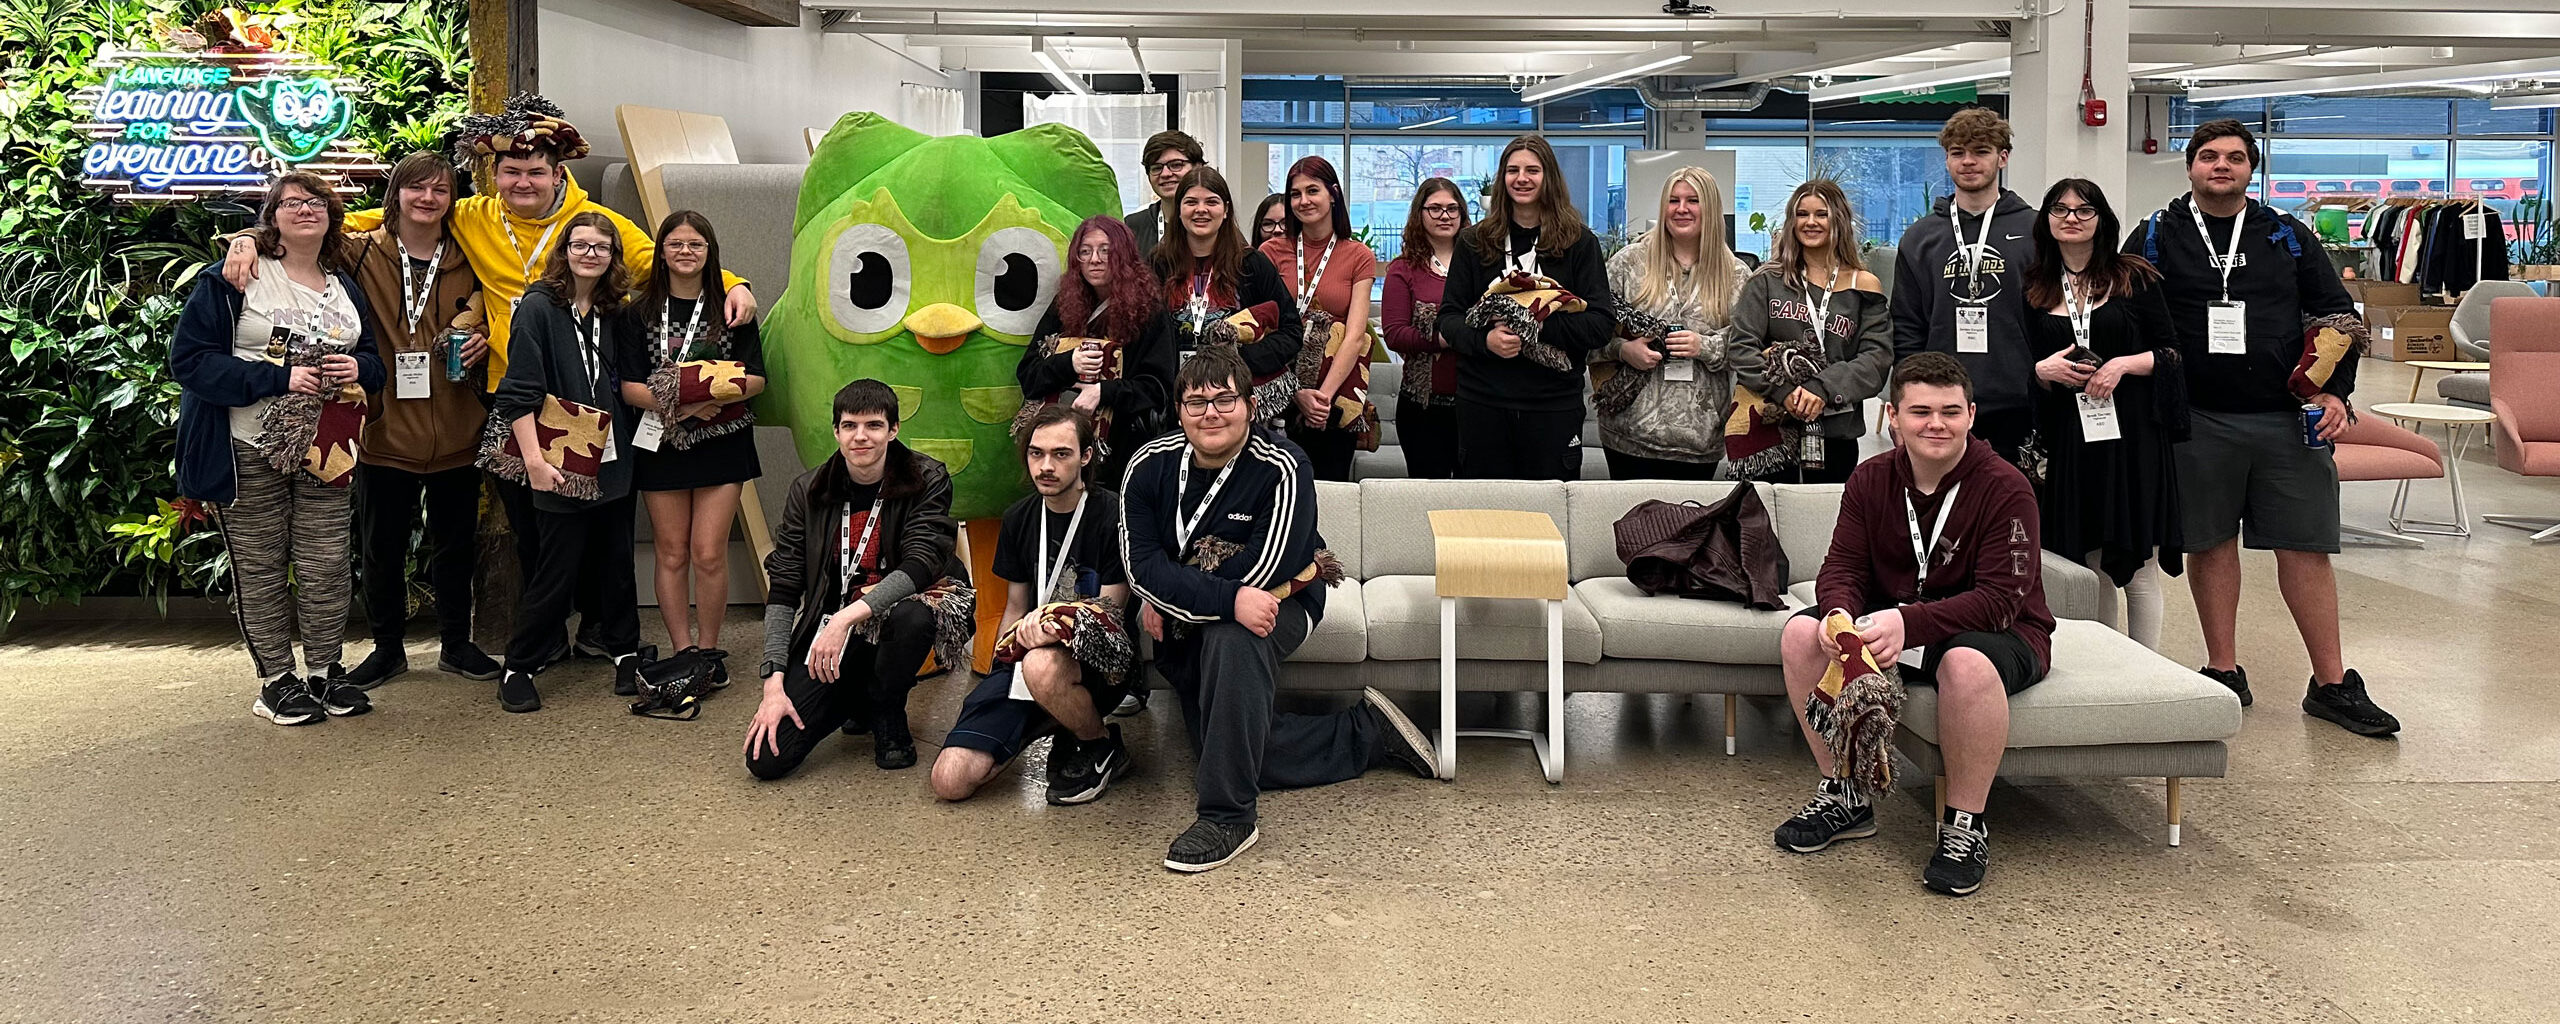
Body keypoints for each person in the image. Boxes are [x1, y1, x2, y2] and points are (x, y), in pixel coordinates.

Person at [220, 94, 754, 664]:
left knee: (605, 527)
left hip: (590, 398)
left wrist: (736, 281)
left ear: (558, 173)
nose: (523, 181)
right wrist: (253, 237)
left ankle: (605, 631)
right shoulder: (472, 216)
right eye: (511, 171)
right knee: (532, 531)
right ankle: (542, 640)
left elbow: (669, 259)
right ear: (493, 175)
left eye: (535, 171)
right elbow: (370, 217)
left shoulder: (596, 226)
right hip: (514, 394)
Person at [1121, 349, 1440, 872]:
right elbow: (1141, 566)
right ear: (1178, 409)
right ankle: (1365, 733)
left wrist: (1176, 597)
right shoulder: (1148, 464)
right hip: (1204, 609)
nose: (1211, 413)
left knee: (1234, 639)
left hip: (1285, 598)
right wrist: (1181, 599)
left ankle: (1229, 816)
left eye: (1226, 399)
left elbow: (1265, 568)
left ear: (1249, 405)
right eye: (1197, 401)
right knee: (1224, 746)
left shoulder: (1284, 464)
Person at [2125, 119, 2395, 737]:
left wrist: (2336, 391)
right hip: (2197, 418)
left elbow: (2338, 316)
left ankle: (2331, 683)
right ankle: (2223, 670)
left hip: (2285, 419)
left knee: (2306, 547)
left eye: (2237, 158)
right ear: (2190, 166)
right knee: (2210, 543)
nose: (2223, 166)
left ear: (2252, 169)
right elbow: (2131, 318)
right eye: (2211, 157)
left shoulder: (2284, 234)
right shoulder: (2157, 236)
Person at [1772, 352, 2054, 898]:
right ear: (1892, 418)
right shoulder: (1871, 478)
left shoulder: (2007, 487)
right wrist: (1836, 613)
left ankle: (1965, 826)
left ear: (1972, 415)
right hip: (1900, 627)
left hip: (1997, 632)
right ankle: (1846, 795)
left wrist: (1909, 622)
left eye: (1950, 411)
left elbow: (2000, 600)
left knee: (1965, 663)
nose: (1936, 424)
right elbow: (1843, 567)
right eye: (1920, 411)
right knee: (1801, 634)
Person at [173, 172, 385, 725]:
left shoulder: (344, 285)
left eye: (316, 202)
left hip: (328, 447)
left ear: (332, 215)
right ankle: (275, 681)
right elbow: (190, 362)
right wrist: (277, 379)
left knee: (326, 564)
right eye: (292, 202)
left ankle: (324, 671)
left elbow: (375, 362)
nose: (305, 210)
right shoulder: (235, 277)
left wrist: (357, 367)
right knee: (262, 566)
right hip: (247, 445)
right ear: (272, 216)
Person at [745, 380, 975, 777]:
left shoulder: (927, 477)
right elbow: (784, 587)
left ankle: (886, 709)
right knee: (766, 760)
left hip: (901, 614)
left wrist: (845, 618)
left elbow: (920, 565)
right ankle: (860, 694)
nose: (861, 436)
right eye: (850, 426)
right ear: (836, 431)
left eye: (873, 425)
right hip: (836, 631)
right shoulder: (808, 490)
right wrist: (773, 681)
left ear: (893, 430)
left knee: (912, 617)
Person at [342, 152, 502, 690]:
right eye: (416, 188)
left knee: (456, 542)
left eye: (440, 189)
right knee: (380, 546)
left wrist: (488, 340)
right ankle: (387, 647)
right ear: (396, 194)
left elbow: (507, 304)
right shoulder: (360, 252)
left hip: (458, 425)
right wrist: (247, 242)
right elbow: (298, 227)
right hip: (385, 427)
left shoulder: (471, 252)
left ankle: (457, 643)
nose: (428, 198)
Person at [932, 406, 1136, 804]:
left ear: (1086, 456)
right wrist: (999, 671)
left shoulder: (1114, 514)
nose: (1046, 466)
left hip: (1096, 661)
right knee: (949, 780)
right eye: (1036, 453)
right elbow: (1015, 606)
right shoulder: (1019, 518)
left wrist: (1051, 624)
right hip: (1027, 660)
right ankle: (1047, 722)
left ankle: (1098, 741)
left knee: (1042, 666)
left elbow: (1110, 614)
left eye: (1061, 454)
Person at [487, 213, 647, 713]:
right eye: (581, 245)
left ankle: (624, 651)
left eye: (601, 247)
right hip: (556, 459)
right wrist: (533, 461)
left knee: (618, 563)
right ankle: (519, 664)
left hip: (613, 456)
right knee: (556, 569)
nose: (590, 254)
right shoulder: (537, 307)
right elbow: (517, 394)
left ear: (613, 256)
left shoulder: (615, 310)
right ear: (565, 249)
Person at [2023, 178, 2186, 651]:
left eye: (2084, 209)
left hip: (2133, 438)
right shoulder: (2035, 285)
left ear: (2101, 219)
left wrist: (2122, 365)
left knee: (2138, 568)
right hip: (2072, 440)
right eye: (2060, 209)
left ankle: (2148, 671)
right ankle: (2109, 664)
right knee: (2089, 565)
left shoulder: (2134, 276)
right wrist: (2043, 369)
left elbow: (2172, 352)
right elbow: (2028, 367)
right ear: (2047, 220)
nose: (2071, 217)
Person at [614, 211, 767, 681]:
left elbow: (757, 379)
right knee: (672, 552)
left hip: (723, 443)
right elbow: (628, 387)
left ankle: (710, 649)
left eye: (695, 245)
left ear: (710, 253)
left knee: (708, 552)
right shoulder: (635, 313)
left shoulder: (733, 308)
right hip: (661, 442)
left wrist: (707, 397)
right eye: (676, 244)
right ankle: (682, 650)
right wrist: (682, 406)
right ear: (661, 252)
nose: (685, 252)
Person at [1437, 134, 1617, 480]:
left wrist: (1534, 324)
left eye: (1532, 170)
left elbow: (1600, 324)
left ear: (1548, 177)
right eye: (1513, 170)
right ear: (1502, 179)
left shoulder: (1579, 243)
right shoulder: (1474, 242)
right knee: (1485, 517)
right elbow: (1449, 317)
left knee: (1549, 518)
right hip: (1483, 404)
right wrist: (1485, 341)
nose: (1522, 178)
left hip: (1553, 407)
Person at [1890, 108, 2041, 464]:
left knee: (2016, 512)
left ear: (2003, 158)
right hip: (1941, 409)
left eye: (1981, 151)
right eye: (1958, 153)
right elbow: (1907, 327)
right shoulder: (1920, 238)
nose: (1968, 161)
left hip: (2019, 402)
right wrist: (1906, 400)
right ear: (1946, 160)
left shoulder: (2036, 231)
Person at [1728, 180, 1892, 485]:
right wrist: (1783, 392)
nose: (1811, 222)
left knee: (1824, 523)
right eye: (1802, 214)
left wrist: (1821, 389)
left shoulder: (1864, 285)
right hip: (1771, 427)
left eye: (1822, 214)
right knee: (1768, 522)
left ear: (1839, 220)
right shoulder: (1766, 281)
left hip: (1836, 428)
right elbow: (1740, 348)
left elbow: (1876, 359)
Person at [1596, 166, 1750, 480]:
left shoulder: (1736, 275)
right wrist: (1625, 350)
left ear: (1710, 207)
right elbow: (1590, 334)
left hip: (1699, 441)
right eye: (1673, 200)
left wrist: (1704, 346)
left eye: (1693, 200)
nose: (1681, 209)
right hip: (1629, 437)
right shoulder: (1628, 263)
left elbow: (1750, 349)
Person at [1018, 215, 1178, 489]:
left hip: (1123, 452)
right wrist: (1069, 362)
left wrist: (1104, 392)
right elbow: (1028, 376)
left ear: (1124, 256)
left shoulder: (1149, 312)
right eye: (1085, 251)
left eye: (1106, 251)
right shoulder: (1064, 306)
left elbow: (1159, 388)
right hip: (1061, 451)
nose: (1095, 259)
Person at [1258, 156, 1378, 482]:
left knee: (1330, 495)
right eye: (1295, 194)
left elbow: (1355, 335)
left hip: (1334, 398)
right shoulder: (1270, 252)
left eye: (1313, 190)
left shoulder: (1358, 255)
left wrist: (1321, 398)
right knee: (1275, 495)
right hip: (1278, 394)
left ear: (1333, 194)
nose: (1303, 201)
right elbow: (1260, 330)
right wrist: (1295, 392)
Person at [1155, 165, 1305, 383]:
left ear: (1225, 210)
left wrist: (1239, 359)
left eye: (1211, 202)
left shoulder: (1251, 264)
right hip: (1171, 395)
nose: (1201, 209)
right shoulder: (1158, 264)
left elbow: (1291, 332)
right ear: (1178, 210)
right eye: (1191, 202)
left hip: (1234, 394)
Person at [1382, 177, 1469, 479]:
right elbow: (1394, 333)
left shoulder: (1479, 264)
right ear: (1419, 213)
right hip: (1422, 409)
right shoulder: (1403, 268)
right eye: (1434, 209)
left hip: (1475, 405)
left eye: (1452, 208)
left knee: (1475, 500)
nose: (1444, 216)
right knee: (1428, 500)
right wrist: (1444, 338)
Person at [1124, 130, 1204, 256]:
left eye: (1176, 165)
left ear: (1197, 167)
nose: (1165, 174)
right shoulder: (1132, 227)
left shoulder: (1211, 222)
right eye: (1156, 168)